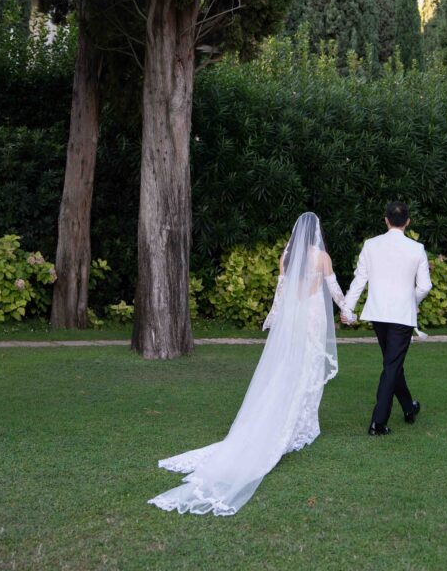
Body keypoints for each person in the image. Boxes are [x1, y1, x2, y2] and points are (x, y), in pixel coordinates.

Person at [148, 212, 356, 516]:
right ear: (317, 233)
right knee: (309, 370)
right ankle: (303, 424)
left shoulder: (287, 257)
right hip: (313, 317)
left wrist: (273, 317)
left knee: (290, 369)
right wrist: (347, 311)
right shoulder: (321, 257)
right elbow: (334, 289)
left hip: (294, 317)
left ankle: (301, 421)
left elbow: (281, 292)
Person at [343, 201, 432, 436]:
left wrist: (347, 308)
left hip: (378, 314)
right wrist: (412, 302)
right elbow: (425, 286)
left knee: (393, 364)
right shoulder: (417, 248)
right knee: (392, 365)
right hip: (401, 315)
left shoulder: (371, 245)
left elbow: (359, 280)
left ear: (386, 220)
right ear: (408, 222)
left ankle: (409, 407)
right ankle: (378, 422)